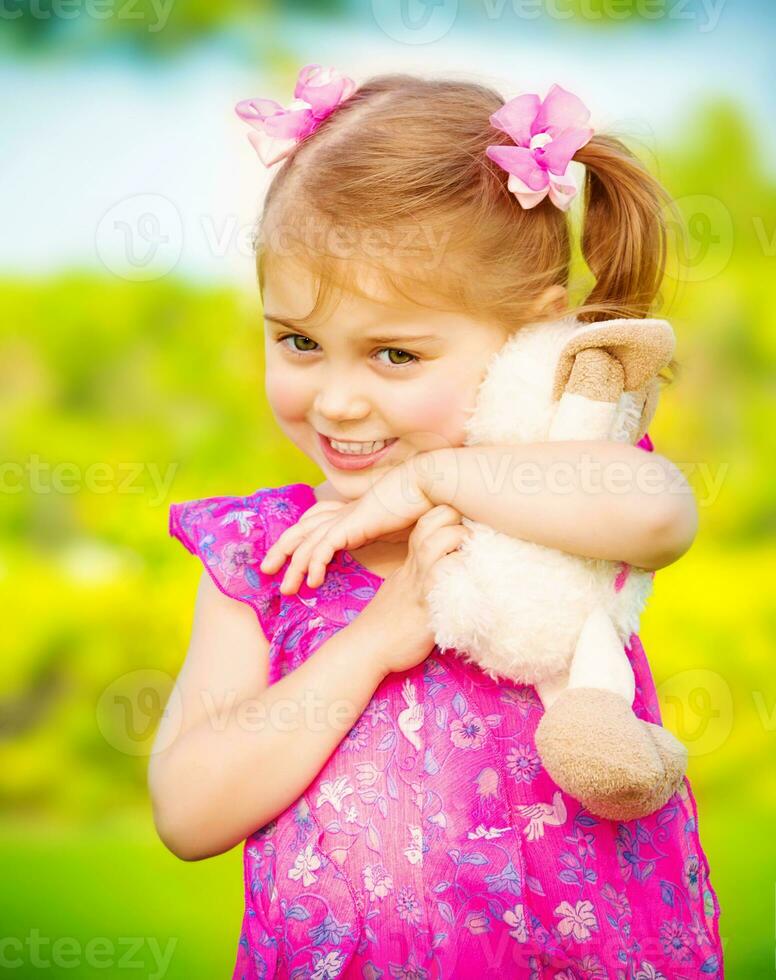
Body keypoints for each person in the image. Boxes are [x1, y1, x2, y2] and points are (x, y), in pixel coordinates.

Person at [148, 66, 724, 979]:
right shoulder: (262, 555)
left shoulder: (558, 490)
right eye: (298, 340)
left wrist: (441, 481)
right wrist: (377, 636)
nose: (336, 399)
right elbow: (189, 813)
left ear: (532, 335)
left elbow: (662, 516)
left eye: (394, 353)